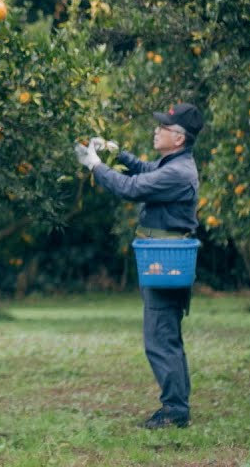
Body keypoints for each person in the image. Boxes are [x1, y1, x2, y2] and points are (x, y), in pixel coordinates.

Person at [73, 102, 203, 430]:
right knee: (166, 335)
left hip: (165, 261)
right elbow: (145, 171)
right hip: (162, 258)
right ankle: (177, 406)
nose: (156, 130)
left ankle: (174, 412)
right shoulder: (173, 163)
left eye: (163, 127)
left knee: (160, 337)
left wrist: (96, 166)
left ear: (178, 138)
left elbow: (131, 188)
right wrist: (118, 153)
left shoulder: (177, 172)